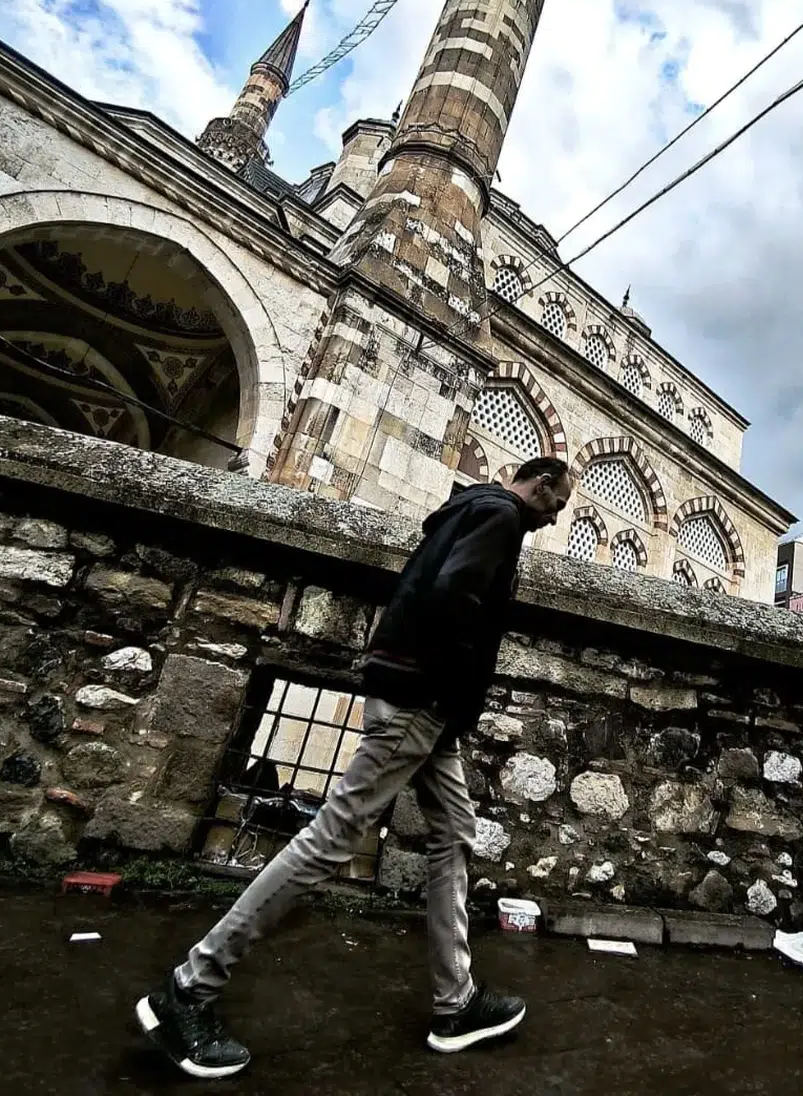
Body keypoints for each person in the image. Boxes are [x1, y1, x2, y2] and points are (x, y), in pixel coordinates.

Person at [135, 455, 574, 1080]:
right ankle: (189, 987)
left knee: (454, 832)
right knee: (332, 837)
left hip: (429, 710)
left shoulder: (470, 509)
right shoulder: (500, 516)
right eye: (554, 506)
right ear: (543, 481)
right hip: (421, 702)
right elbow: (452, 599)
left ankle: (457, 1005)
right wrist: (449, 686)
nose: (552, 520)